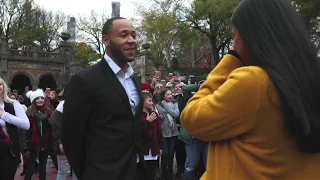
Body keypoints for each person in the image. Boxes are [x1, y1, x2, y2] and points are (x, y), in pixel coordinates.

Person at [180, 0, 320, 179]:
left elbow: (191, 118)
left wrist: (231, 59)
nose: (234, 45)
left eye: (234, 37)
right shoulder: (310, 82)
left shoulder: (254, 82)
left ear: (252, 38)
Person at [61, 17, 144, 180]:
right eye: (123, 35)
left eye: (134, 35)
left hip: (137, 170)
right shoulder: (85, 80)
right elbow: (71, 137)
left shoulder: (135, 78)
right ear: (106, 40)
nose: (131, 41)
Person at [0, 77, 30, 180]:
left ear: (3, 87)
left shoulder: (14, 104)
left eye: (0, 84)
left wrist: (4, 115)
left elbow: (26, 124)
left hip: (9, 152)